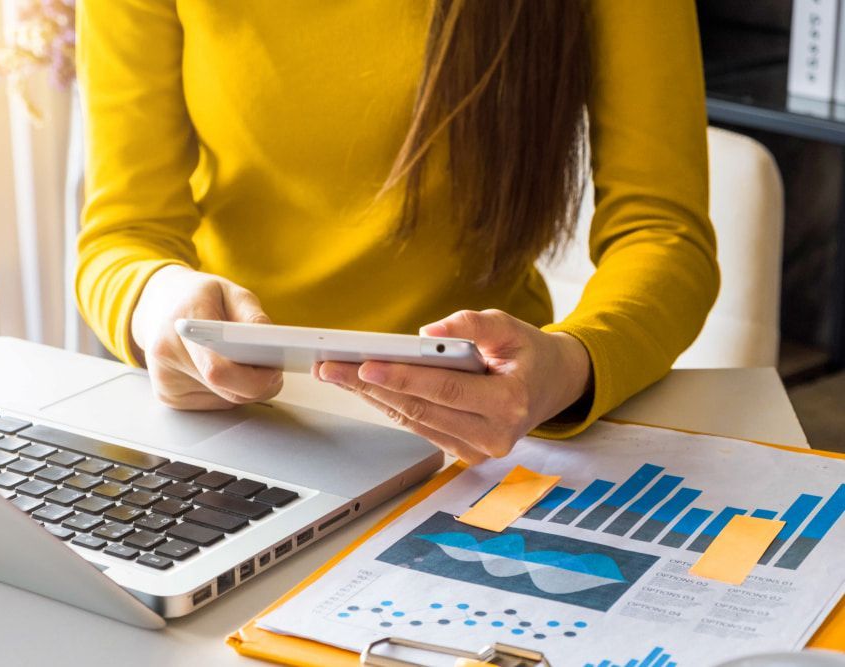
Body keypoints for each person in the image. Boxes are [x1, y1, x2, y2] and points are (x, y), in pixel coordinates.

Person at [74, 1, 718, 465]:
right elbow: (124, 235)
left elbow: (661, 230)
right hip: (240, 423)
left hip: (492, 432)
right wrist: (157, 300)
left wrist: (572, 363)